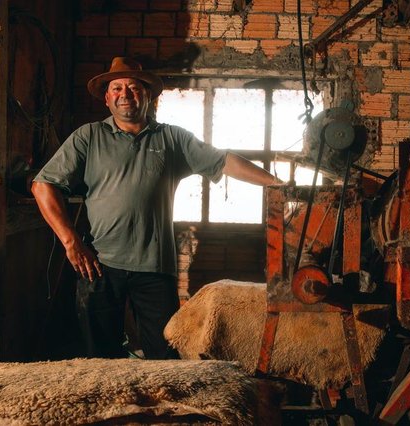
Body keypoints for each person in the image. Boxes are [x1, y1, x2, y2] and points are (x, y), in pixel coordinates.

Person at [32, 57, 279, 359]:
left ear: (148, 94)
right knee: (98, 358)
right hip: (99, 264)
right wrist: (71, 243)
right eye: (117, 88)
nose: (125, 94)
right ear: (107, 97)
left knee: (164, 356)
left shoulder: (172, 138)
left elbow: (222, 160)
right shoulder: (89, 136)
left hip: (155, 269)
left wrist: (277, 185)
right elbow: (42, 185)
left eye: (134, 87)